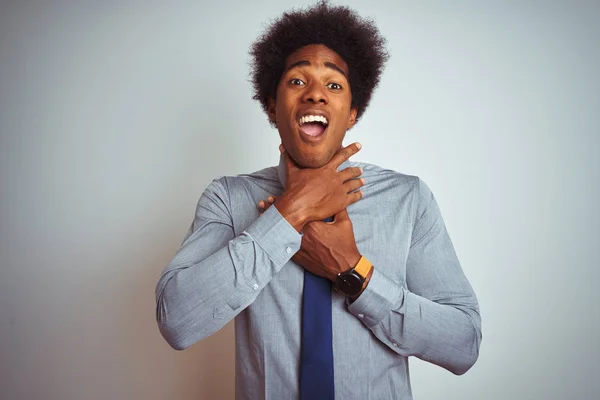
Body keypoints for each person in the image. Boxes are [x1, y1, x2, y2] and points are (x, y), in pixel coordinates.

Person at [155, 2, 481, 399]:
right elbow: (177, 321)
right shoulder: (228, 198)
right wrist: (289, 214)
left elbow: (463, 344)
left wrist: (353, 271)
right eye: (297, 81)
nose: (315, 95)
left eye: (334, 85)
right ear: (273, 108)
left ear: (352, 114)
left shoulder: (408, 200)